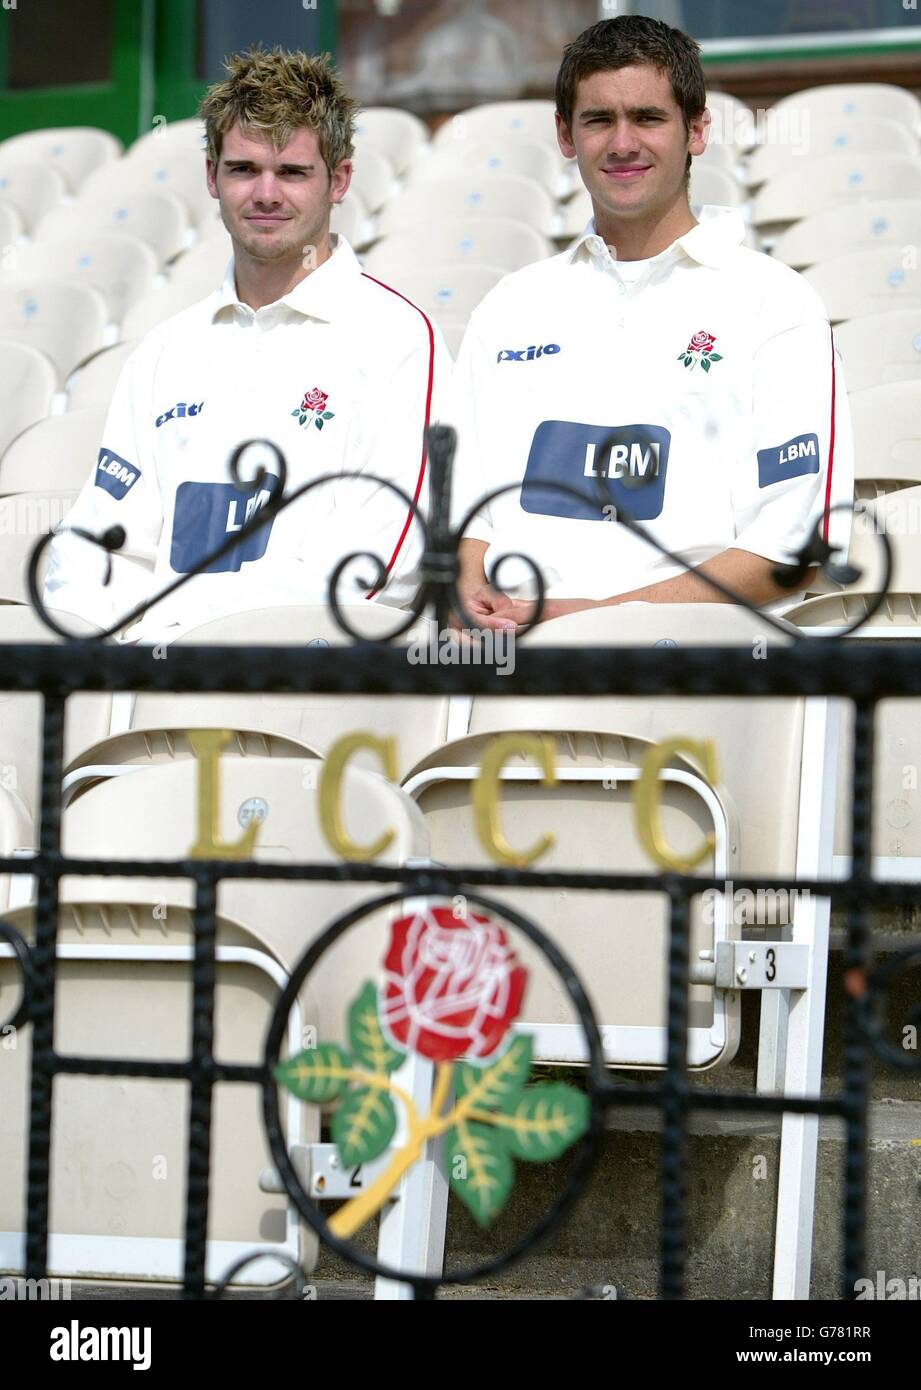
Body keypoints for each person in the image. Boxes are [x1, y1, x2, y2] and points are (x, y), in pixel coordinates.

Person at [449, 15, 853, 630]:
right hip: (512, 659)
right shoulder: (511, 304)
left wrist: (597, 616)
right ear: (565, 134)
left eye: (648, 118)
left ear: (696, 129)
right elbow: (464, 507)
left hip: (691, 662)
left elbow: (793, 547)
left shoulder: (775, 303)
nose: (622, 143)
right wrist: (466, 591)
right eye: (598, 120)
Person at [43, 46, 449, 638]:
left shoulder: (399, 338)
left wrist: (180, 629)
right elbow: (93, 548)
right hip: (148, 689)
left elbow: (381, 563)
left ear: (339, 180)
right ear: (211, 176)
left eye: (291, 172)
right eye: (242, 170)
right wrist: (119, 649)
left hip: (304, 697)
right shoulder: (164, 351)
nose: (265, 194)